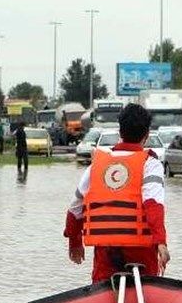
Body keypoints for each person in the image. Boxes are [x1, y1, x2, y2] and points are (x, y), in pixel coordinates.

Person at [64, 103, 170, 283]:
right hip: (141, 251)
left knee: (102, 294)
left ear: (120, 132)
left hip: (106, 250)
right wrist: (161, 242)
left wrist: (75, 241)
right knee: (145, 297)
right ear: (147, 135)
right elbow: (153, 204)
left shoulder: (96, 166)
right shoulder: (150, 164)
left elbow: (75, 208)